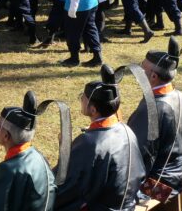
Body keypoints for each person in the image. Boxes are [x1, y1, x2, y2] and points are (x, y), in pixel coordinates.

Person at [55, 65, 146, 211]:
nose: (81, 100)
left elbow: (66, 187)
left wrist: (65, 151)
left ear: (93, 109)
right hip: (127, 204)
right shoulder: (126, 130)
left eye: (82, 98)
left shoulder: (90, 142)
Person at [129, 37, 182, 206]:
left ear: (153, 76)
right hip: (175, 176)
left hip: (158, 186)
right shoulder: (180, 96)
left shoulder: (152, 108)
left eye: (142, 69)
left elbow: (137, 155)